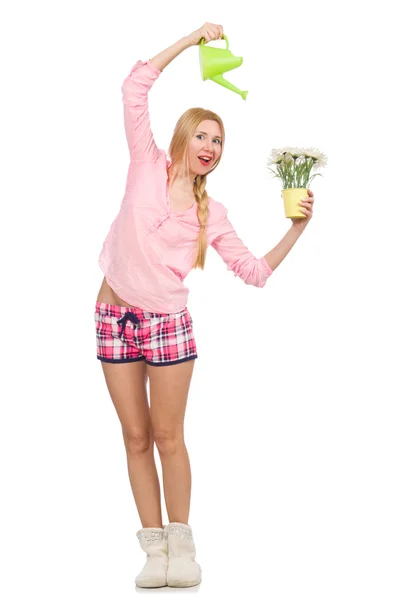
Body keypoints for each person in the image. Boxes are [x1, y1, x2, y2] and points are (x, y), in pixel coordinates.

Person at [95, 22, 315, 589]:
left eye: (218, 143)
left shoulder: (210, 214)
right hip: (113, 318)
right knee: (135, 438)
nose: (211, 149)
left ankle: (182, 541)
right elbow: (134, 87)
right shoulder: (145, 164)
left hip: (168, 327)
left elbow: (254, 272)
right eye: (204, 137)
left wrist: (297, 228)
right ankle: (153, 550)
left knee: (169, 437)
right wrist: (193, 40)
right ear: (183, 138)